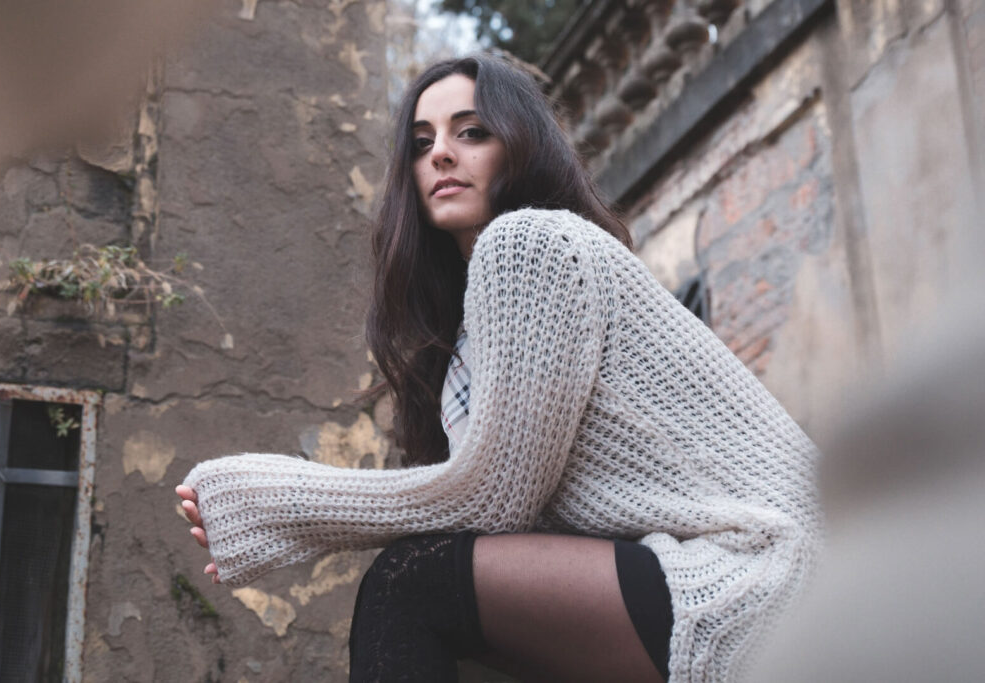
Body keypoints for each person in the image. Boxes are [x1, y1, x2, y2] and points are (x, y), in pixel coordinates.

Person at [176, 54, 821, 683]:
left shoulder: (530, 244)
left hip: (768, 574)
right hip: (748, 574)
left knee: (413, 581)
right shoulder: (470, 323)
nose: (441, 154)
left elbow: (494, 498)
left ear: (520, 147)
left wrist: (283, 504)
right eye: (421, 143)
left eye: (471, 133)